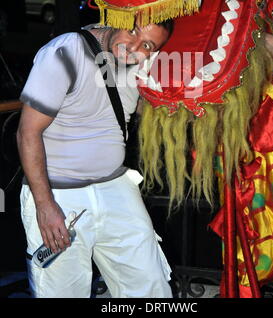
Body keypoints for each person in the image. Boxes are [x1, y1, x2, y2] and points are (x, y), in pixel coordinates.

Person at [16, 20, 173, 299]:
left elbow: (143, 109)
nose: (134, 47)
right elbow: (28, 132)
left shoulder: (142, 62)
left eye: (148, 45)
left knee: (150, 287)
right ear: (120, 18)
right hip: (59, 196)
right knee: (61, 293)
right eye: (133, 31)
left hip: (116, 187)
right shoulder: (65, 52)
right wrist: (45, 205)